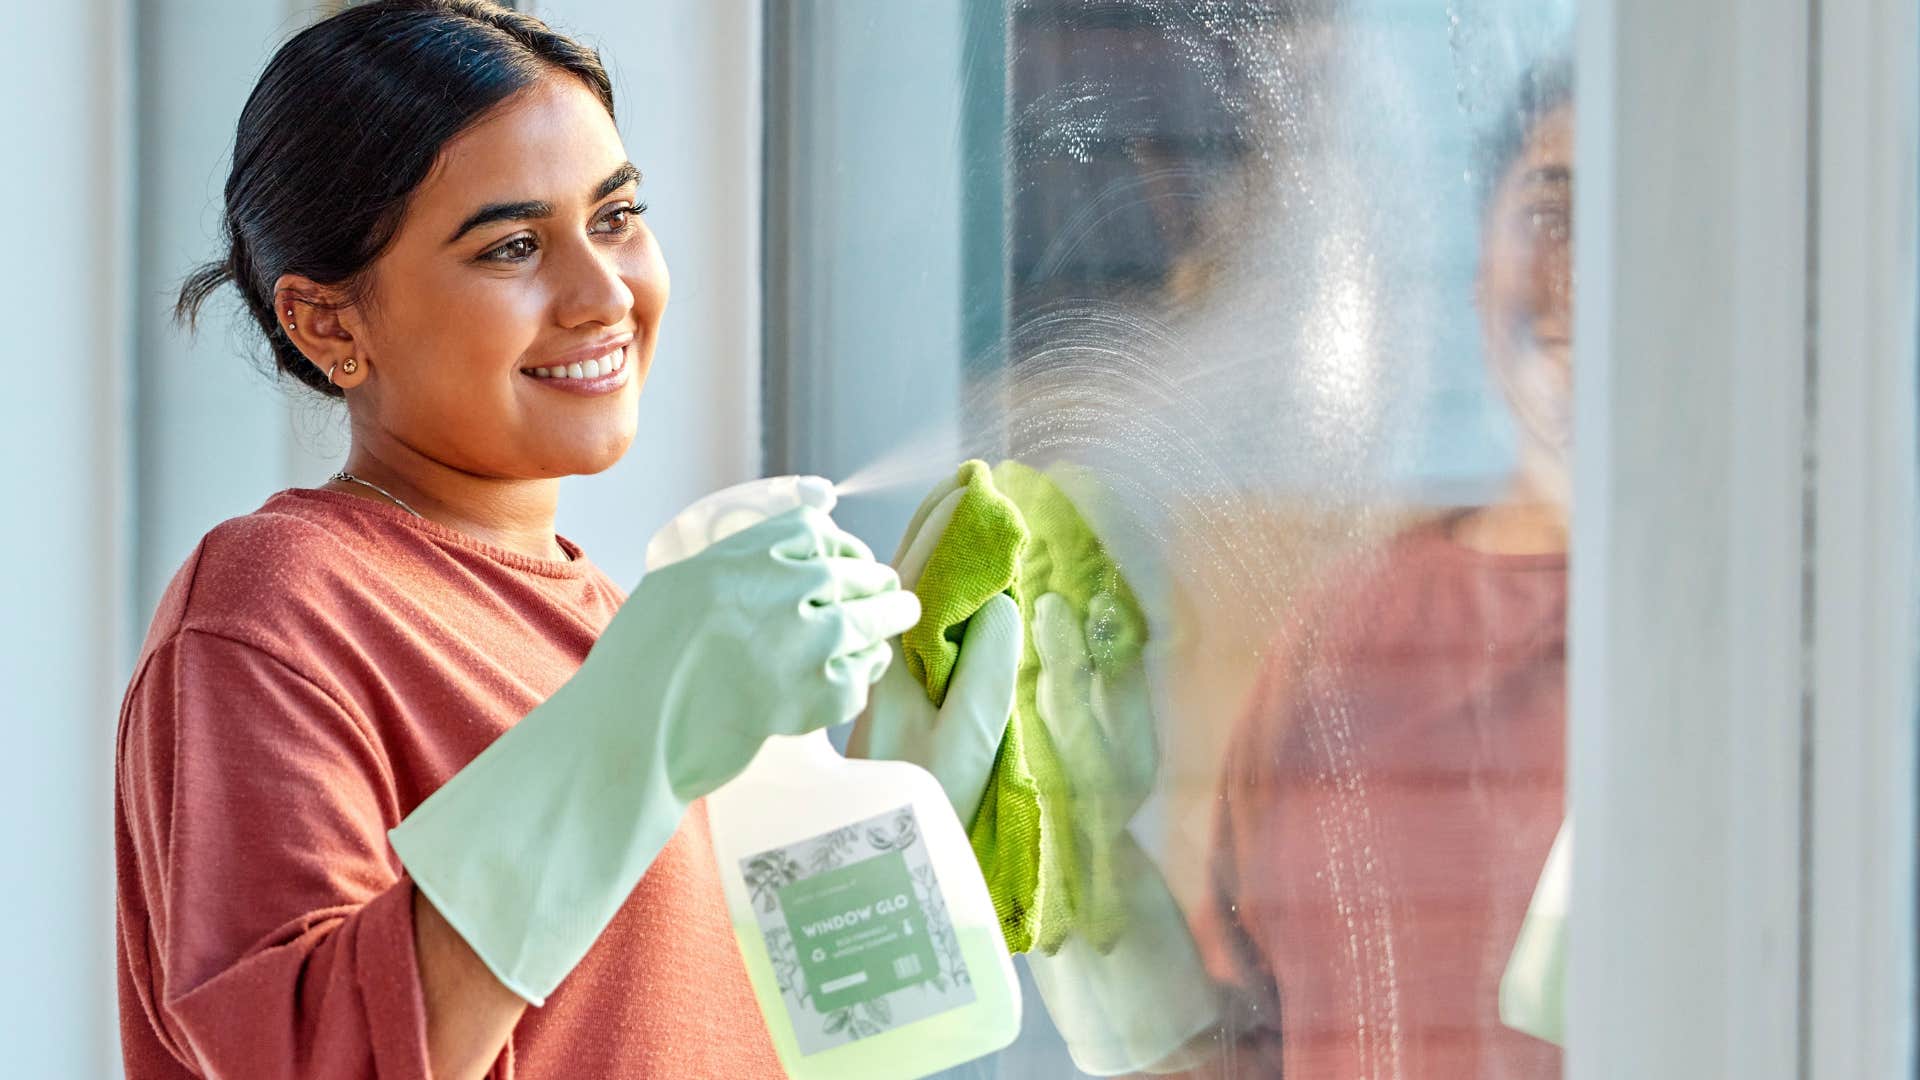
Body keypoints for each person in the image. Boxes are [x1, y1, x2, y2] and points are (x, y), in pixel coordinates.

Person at [112, 3, 1013, 1077]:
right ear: (329, 324)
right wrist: (639, 723)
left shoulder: (620, 636)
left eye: (619, 215)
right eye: (514, 246)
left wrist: (878, 845)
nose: (603, 295)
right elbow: (309, 1058)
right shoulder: (278, 602)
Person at [1189, 56, 1575, 1078]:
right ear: (1478, 262)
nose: (1586, 272)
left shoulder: (1781, 648)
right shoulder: (1351, 628)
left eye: (1645, 221)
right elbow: (1232, 1036)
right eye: (1552, 210)